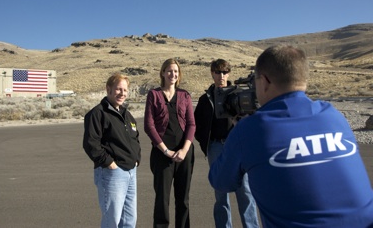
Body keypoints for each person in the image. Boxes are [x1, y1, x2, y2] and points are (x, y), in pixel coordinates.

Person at [209, 45, 373, 227]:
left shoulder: (251, 130)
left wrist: (238, 136)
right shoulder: (334, 117)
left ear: (264, 81)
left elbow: (220, 181)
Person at [194, 59, 259, 228]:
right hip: (215, 147)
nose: (221, 76)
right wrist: (206, 144)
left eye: (224, 72)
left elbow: (251, 118)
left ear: (229, 73)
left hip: (237, 147)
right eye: (217, 72)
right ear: (212, 73)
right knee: (220, 193)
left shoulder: (238, 95)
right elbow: (196, 123)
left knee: (245, 191)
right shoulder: (205, 99)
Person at [83, 73, 141, 228]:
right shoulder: (97, 113)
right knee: (112, 220)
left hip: (130, 172)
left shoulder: (126, 114)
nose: (122, 93)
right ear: (108, 89)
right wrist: (109, 163)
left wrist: (136, 159)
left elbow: (135, 138)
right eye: (118, 89)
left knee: (129, 220)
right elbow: (91, 144)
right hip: (112, 173)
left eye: (125, 90)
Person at [144, 58, 196, 228]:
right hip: (162, 155)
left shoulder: (185, 95)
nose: (172, 74)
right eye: (169, 70)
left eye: (175, 71)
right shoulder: (154, 94)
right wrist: (166, 151)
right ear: (163, 73)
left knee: (183, 199)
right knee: (162, 199)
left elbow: (191, 124)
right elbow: (149, 126)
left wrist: (184, 150)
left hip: (184, 155)